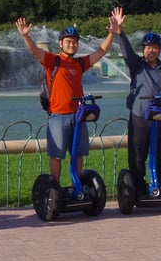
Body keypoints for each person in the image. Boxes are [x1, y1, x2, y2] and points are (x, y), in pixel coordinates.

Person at [14, 16, 117, 184]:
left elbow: (101, 52)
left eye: (75, 42)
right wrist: (26, 36)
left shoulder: (80, 63)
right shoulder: (53, 61)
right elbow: (35, 51)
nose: (72, 44)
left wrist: (112, 33)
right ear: (60, 43)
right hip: (58, 115)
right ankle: (55, 188)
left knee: (77, 153)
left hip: (78, 116)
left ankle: (76, 185)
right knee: (56, 155)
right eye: (68, 41)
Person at [112, 8, 161, 193]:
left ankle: (160, 182)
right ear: (143, 49)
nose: (151, 51)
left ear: (159, 49)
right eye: (147, 47)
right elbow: (126, 51)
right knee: (137, 153)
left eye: (155, 47)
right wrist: (120, 30)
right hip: (139, 115)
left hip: (160, 115)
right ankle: (138, 184)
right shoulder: (137, 66)